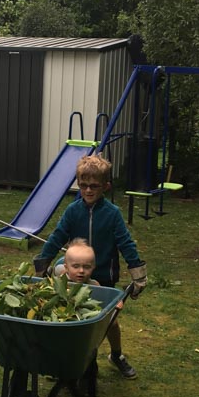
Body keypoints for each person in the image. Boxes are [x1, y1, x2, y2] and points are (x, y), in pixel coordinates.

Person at [34, 154, 147, 379]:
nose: (88, 190)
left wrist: (138, 275)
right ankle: (66, 363)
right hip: (75, 276)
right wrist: (42, 264)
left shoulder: (112, 214)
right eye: (83, 185)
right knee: (72, 319)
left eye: (94, 186)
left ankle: (116, 355)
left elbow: (125, 243)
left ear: (105, 186)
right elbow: (57, 237)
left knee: (109, 322)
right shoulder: (72, 211)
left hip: (103, 276)